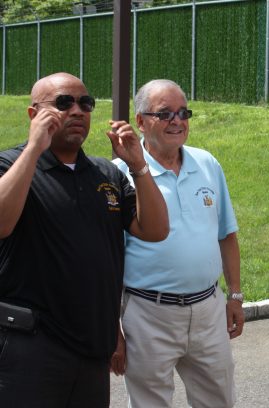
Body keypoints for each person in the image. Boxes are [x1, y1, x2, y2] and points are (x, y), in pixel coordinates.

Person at [0, 73, 169, 407]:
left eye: (85, 103)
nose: (77, 111)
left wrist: (139, 167)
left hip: (91, 348)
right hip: (30, 348)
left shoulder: (106, 174)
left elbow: (155, 230)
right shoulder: (10, 164)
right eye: (64, 103)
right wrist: (35, 148)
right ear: (34, 115)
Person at [109, 79, 243, 408]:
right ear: (140, 121)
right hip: (147, 314)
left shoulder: (207, 164)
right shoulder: (117, 174)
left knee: (219, 401)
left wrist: (236, 295)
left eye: (183, 113)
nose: (177, 121)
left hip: (208, 310)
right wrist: (113, 329)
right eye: (165, 113)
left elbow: (226, 234)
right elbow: (105, 260)